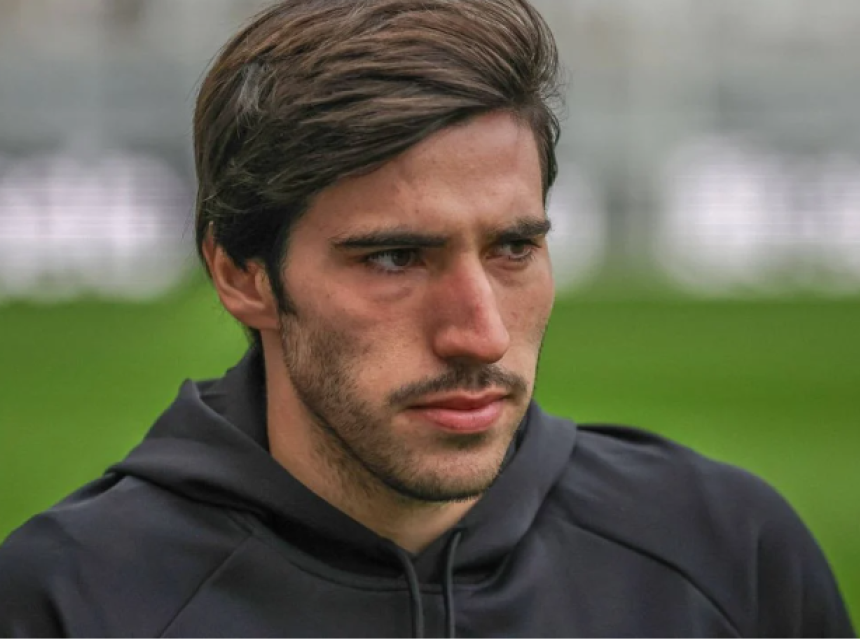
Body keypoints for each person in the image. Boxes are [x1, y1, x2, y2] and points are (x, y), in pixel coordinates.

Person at [0, 0, 854, 637]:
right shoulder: (69, 602)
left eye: (514, 248)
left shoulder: (725, 552)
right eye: (395, 258)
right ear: (241, 275)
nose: (481, 335)